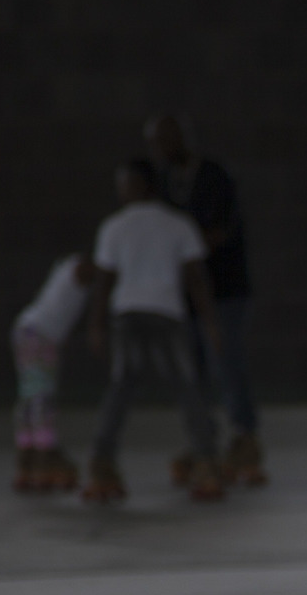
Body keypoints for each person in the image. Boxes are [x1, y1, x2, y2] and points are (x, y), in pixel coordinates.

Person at [84, 160, 223, 505]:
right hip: (163, 312)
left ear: (144, 186)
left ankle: (104, 459)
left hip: (131, 313)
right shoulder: (176, 225)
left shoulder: (116, 227)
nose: (121, 192)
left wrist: (98, 324)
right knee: (181, 383)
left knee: (129, 384)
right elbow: (195, 279)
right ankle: (205, 458)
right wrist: (209, 322)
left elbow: (105, 283)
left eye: (126, 184)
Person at [147, 113, 266, 485]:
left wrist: (181, 247)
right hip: (185, 296)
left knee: (225, 360)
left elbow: (217, 232)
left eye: (168, 140)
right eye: (156, 142)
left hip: (224, 290)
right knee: (191, 367)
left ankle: (244, 437)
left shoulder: (214, 176)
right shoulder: (164, 182)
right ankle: (204, 440)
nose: (162, 149)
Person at [9, 249, 91, 493]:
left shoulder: (64, 266)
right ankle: (44, 454)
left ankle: (27, 455)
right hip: (40, 334)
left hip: (27, 328)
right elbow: (92, 270)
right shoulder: (79, 267)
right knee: (41, 395)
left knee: (30, 393)